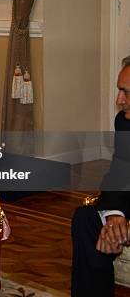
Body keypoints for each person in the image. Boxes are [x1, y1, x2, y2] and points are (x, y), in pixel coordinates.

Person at [71, 55, 130, 296]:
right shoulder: (124, 123)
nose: (119, 100)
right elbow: (119, 171)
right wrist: (115, 216)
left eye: (126, 92)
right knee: (86, 219)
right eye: (119, 91)